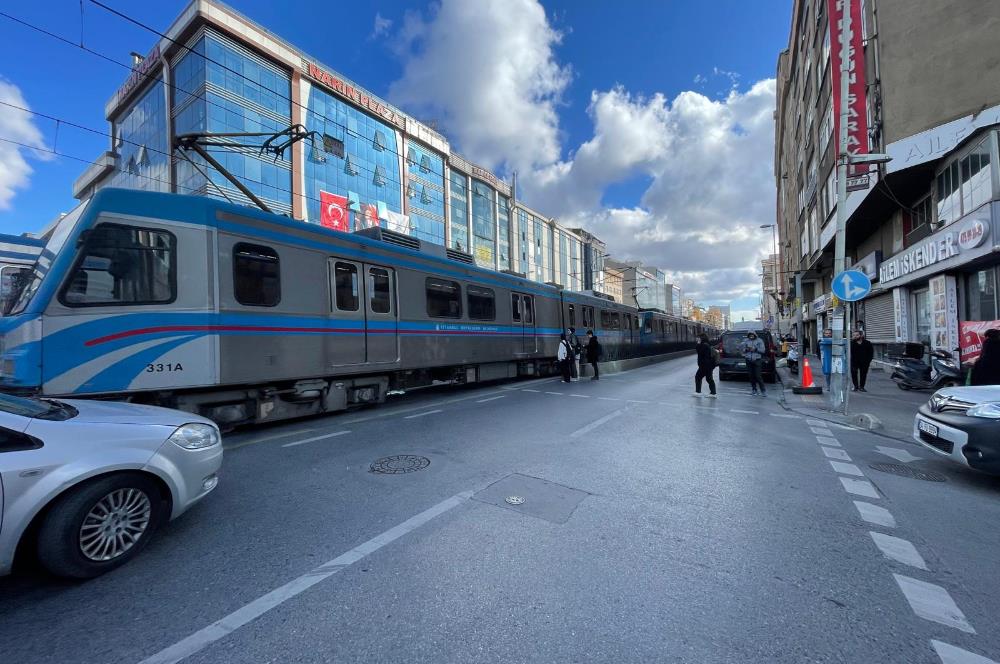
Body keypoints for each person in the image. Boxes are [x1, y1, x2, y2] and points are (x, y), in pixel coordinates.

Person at [741, 331, 767, 396]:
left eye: (752, 335)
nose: (751, 336)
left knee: (758, 376)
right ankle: (754, 390)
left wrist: (755, 349)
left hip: (757, 360)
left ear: (755, 335)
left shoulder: (759, 340)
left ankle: (763, 391)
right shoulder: (746, 341)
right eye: (750, 335)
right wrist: (746, 349)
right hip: (748, 360)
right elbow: (742, 349)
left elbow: (763, 350)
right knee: (751, 376)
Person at [694, 333, 718, 397]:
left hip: (705, 365)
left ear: (701, 338)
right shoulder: (708, 344)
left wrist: (698, 343)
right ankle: (713, 393)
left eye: (698, 338)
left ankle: (698, 392)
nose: (696, 339)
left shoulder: (704, 345)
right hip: (709, 365)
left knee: (698, 377)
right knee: (709, 379)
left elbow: (699, 351)